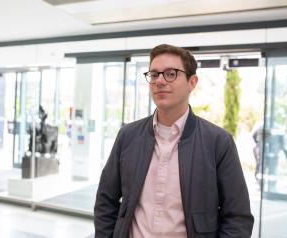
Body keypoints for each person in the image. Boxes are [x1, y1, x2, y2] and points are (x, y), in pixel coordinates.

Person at [94, 44, 254, 238]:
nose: (160, 81)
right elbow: (106, 200)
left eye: (171, 74)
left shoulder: (218, 142)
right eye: (154, 74)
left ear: (192, 82)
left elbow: (238, 217)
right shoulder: (128, 136)